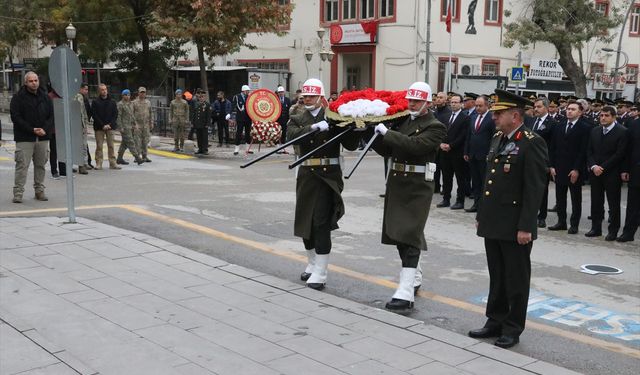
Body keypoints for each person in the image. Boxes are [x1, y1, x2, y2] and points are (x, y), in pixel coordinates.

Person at [469, 89, 548, 349]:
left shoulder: (531, 141)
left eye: (498, 114)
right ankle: (495, 320)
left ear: (515, 115)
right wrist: (482, 214)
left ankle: (512, 328)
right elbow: (488, 183)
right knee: (497, 275)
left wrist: (526, 226)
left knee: (516, 278)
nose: (494, 117)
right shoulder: (498, 138)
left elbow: (534, 188)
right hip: (494, 221)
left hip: (515, 225)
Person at [371, 82, 446, 313]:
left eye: (416, 101)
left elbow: (415, 146)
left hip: (417, 187)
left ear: (427, 102)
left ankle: (404, 293)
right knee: (398, 235)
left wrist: (389, 133)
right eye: (410, 100)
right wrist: (374, 134)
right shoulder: (403, 120)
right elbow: (390, 150)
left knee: (410, 235)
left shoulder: (435, 126)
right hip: (398, 183)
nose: (411, 104)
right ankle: (414, 275)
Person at [286, 78, 359, 291]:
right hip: (307, 174)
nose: (307, 99)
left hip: (328, 176)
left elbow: (351, 145)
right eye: (304, 96)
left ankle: (321, 271)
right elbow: (290, 137)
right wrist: (314, 127)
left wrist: (355, 127)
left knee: (320, 222)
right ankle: (312, 262)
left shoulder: (335, 117)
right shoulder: (297, 117)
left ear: (321, 97)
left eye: (311, 96)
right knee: (305, 222)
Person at [585, 105, 629, 240]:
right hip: (595, 172)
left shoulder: (622, 131)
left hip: (612, 172)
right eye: (601, 116)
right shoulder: (595, 131)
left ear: (614, 117)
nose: (603, 118)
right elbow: (589, 151)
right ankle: (596, 228)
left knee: (613, 203)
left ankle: (613, 230)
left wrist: (602, 167)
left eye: (606, 116)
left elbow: (620, 154)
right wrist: (593, 166)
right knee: (596, 201)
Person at [10, 71, 54, 203]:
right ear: (25, 82)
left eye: (36, 80)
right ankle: (18, 193)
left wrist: (44, 129)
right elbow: (16, 117)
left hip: (42, 137)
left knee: (41, 165)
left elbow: (51, 116)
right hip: (25, 137)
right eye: (31, 81)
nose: (34, 83)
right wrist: (32, 129)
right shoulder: (18, 98)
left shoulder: (45, 97)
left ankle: (39, 191)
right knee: (22, 166)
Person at [548, 102, 590, 234]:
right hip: (559, 167)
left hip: (574, 168)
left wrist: (576, 169)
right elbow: (553, 148)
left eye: (573, 109)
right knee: (560, 197)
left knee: (575, 198)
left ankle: (574, 224)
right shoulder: (559, 126)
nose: (569, 111)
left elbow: (583, 151)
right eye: (568, 109)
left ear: (580, 112)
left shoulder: (585, 128)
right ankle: (561, 222)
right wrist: (552, 166)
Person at [527, 97, 557, 228]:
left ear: (546, 107)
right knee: (528, 189)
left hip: (543, 161)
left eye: (539, 107)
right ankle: (529, 214)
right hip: (529, 160)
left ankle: (541, 216)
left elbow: (554, 146)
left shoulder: (553, 123)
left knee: (542, 190)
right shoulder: (531, 121)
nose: (536, 109)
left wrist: (551, 164)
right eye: (535, 107)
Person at [437, 93, 469, 210]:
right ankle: (446, 199)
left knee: (460, 178)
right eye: (452, 102)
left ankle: (460, 201)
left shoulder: (465, 118)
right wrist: (441, 144)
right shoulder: (447, 116)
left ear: (461, 104)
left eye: (456, 102)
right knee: (446, 177)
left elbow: (463, 136)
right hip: (444, 152)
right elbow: (441, 132)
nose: (453, 104)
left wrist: (451, 145)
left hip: (457, 152)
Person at [464, 95, 495, 212]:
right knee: (475, 181)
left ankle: (484, 206)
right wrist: (466, 151)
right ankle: (476, 204)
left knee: (484, 182)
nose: (477, 108)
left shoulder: (492, 118)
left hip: (485, 156)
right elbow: (469, 135)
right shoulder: (473, 118)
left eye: (480, 106)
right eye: (476, 105)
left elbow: (494, 138)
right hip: (472, 154)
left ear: (487, 105)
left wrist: (490, 153)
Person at [618, 117, 639, 242]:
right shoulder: (634, 124)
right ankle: (628, 233)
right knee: (633, 205)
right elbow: (627, 149)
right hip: (636, 171)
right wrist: (625, 169)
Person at [92, 83, 120, 170]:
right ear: (99, 91)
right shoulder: (95, 102)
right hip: (99, 127)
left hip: (110, 127)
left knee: (111, 145)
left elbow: (115, 114)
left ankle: (112, 163)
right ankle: (99, 163)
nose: (104, 91)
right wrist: (102, 125)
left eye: (105, 89)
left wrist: (109, 124)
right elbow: (94, 115)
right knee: (99, 146)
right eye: (102, 90)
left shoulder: (112, 101)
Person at [116, 89, 143, 165]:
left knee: (124, 143)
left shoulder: (131, 104)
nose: (127, 96)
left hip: (130, 126)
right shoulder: (120, 104)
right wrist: (120, 127)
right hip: (124, 127)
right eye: (126, 95)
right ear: (122, 96)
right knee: (131, 142)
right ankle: (137, 158)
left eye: (128, 95)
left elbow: (132, 115)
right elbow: (118, 116)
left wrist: (135, 124)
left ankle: (119, 158)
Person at [74, 84, 91, 174]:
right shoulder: (71, 96)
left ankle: (83, 165)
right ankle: (71, 164)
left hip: (82, 126)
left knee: (83, 146)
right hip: (74, 126)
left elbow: (84, 112)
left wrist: (85, 124)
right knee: (73, 146)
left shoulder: (81, 97)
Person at [133, 86, 153, 162]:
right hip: (138, 125)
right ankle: (137, 157)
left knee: (145, 141)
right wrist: (134, 124)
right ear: (138, 93)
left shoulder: (148, 102)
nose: (142, 94)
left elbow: (151, 113)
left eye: (144, 92)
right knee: (137, 141)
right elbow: (132, 114)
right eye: (141, 92)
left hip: (146, 124)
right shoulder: (134, 102)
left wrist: (151, 122)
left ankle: (144, 156)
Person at [233, 85, 252, 155]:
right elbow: (235, 105)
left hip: (248, 118)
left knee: (248, 133)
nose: (248, 92)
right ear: (244, 91)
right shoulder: (237, 97)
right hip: (240, 118)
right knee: (239, 132)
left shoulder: (249, 97)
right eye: (247, 91)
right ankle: (237, 148)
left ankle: (248, 148)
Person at [192, 89, 212, 155]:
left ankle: (205, 149)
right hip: (198, 123)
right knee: (199, 137)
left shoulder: (207, 105)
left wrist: (207, 124)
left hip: (204, 124)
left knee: (204, 137)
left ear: (205, 97)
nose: (201, 98)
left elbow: (208, 115)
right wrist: (193, 122)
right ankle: (200, 149)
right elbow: (194, 114)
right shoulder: (197, 104)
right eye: (200, 97)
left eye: (202, 97)